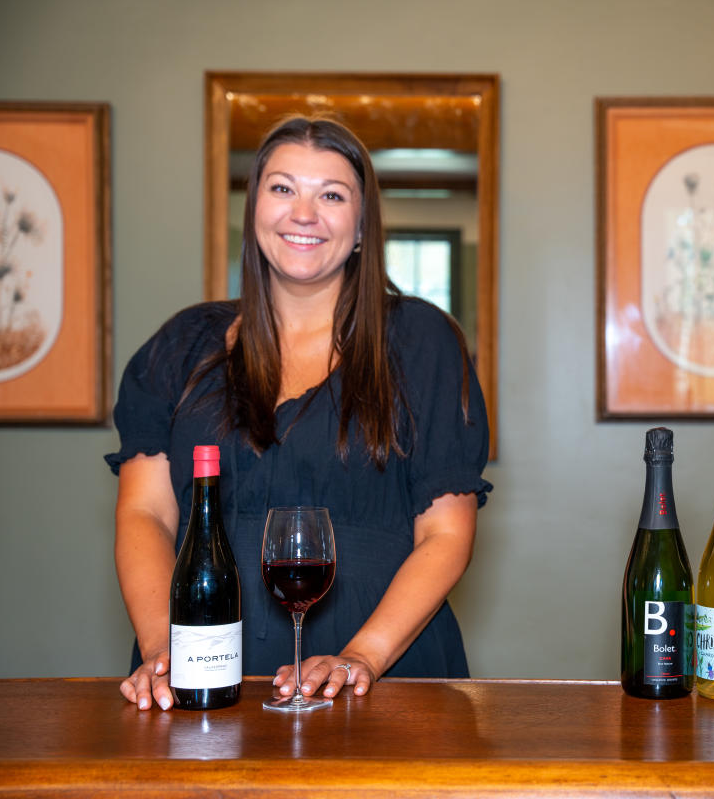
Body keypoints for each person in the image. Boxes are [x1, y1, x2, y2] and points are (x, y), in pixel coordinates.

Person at [105, 116, 491, 711]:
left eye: (331, 195)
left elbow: (446, 534)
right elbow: (146, 513)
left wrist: (363, 656)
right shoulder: (181, 347)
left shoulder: (422, 342)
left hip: (387, 672)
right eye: (282, 188)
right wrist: (165, 647)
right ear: (255, 207)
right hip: (203, 664)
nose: (303, 213)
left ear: (362, 226)